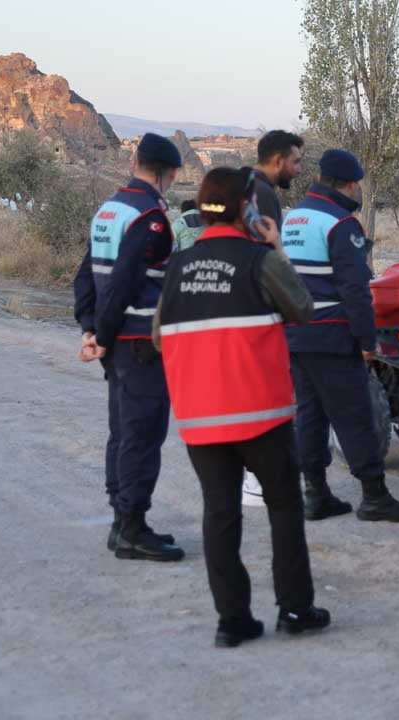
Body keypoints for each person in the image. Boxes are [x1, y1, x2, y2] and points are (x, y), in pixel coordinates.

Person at [153, 167, 329, 647]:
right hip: (260, 414)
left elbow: (158, 336)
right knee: (284, 508)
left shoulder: (177, 268)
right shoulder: (258, 260)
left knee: (220, 513)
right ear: (245, 207)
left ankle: (232, 622)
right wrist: (276, 249)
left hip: (201, 418)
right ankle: (295, 608)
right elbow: (304, 309)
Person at [280, 149, 399, 523]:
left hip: (294, 332)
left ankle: (315, 492)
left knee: (309, 414)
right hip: (331, 334)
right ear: (349, 182)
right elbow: (356, 289)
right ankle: (375, 496)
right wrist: (366, 342)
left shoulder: (293, 218)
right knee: (355, 414)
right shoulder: (339, 223)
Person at [73, 132, 186, 562]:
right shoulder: (149, 217)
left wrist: (90, 327)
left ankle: (123, 521)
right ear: (169, 173)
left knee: (122, 431)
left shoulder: (109, 209)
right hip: (140, 343)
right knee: (142, 434)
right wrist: (99, 335)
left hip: (117, 342)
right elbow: (122, 283)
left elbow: (86, 275)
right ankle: (132, 527)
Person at [252, 130, 304, 228]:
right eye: (296, 162)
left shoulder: (245, 184)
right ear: (279, 161)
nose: (299, 170)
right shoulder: (263, 193)